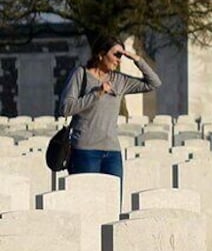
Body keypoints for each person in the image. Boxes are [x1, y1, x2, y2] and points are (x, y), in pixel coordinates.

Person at [58, 36, 162, 178]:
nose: (119, 60)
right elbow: (66, 108)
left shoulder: (119, 80)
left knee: (113, 199)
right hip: (85, 151)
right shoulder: (81, 75)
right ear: (101, 55)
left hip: (112, 152)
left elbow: (154, 83)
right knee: (87, 199)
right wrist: (97, 94)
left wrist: (136, 59)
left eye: (122, 55)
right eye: (116, 55)